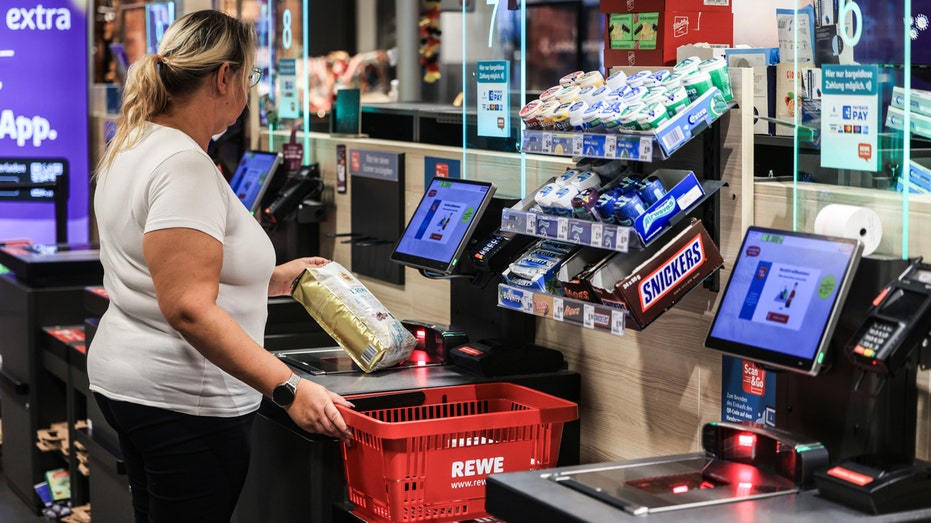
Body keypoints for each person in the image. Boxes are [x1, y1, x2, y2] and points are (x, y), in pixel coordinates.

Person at [89, 10, 353, 523]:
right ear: (224, 77)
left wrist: (272, 278)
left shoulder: (136, 142)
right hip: (182, 400)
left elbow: (161, 265)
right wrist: (289, 388)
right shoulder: (182, 163)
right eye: (250, 77)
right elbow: (187, 306)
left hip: (136, 385)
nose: (248, 92)